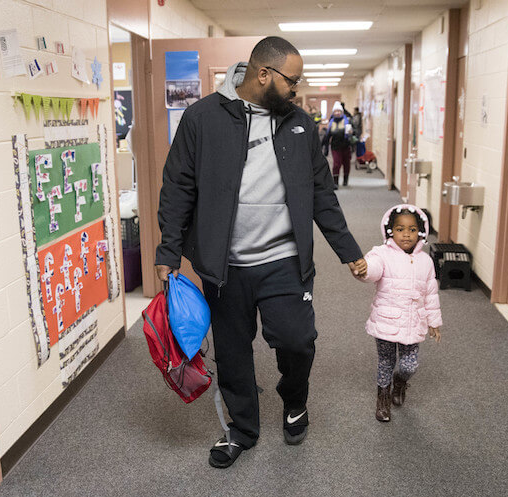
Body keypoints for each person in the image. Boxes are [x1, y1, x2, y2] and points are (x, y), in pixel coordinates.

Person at [154, 36, 367, 469]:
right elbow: (178, 187)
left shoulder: (300, 124)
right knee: (233, 351)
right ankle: (242, 429)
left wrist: (348, 250)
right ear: (263, 73)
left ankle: (294, 397)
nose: (297, 90)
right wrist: (168, 250)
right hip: (224, 265)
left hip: (284, 260)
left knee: (297, 340)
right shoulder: (201, 119)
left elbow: (321, 192)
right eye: (292, 80)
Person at [357, 204, 442, 422]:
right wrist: (365, 268)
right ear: (390, 231)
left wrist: (434, 321)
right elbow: (373, 269)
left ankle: (401, 381)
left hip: (414, 322)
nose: (406, 234)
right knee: (385, 361)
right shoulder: (381, 254)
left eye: (412, 229)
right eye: (400, 229)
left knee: (409, 365)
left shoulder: (426, 261)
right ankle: (383, 398)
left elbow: (430, 293)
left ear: (420, 232)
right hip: (387, 321)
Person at [322, 102, 353, 188]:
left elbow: (352, 135)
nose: (337, 113)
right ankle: (335, 182)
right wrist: (325, 148)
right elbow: (327, 136)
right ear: (333, 112)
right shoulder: (331, 123)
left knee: (346, 164)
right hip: (335, 146)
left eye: (339, 111)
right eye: (336, 111)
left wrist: (350, 133)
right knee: (336, 164)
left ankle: (345, 180)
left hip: (346, 146)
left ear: (342, 112)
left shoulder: (347, 121)